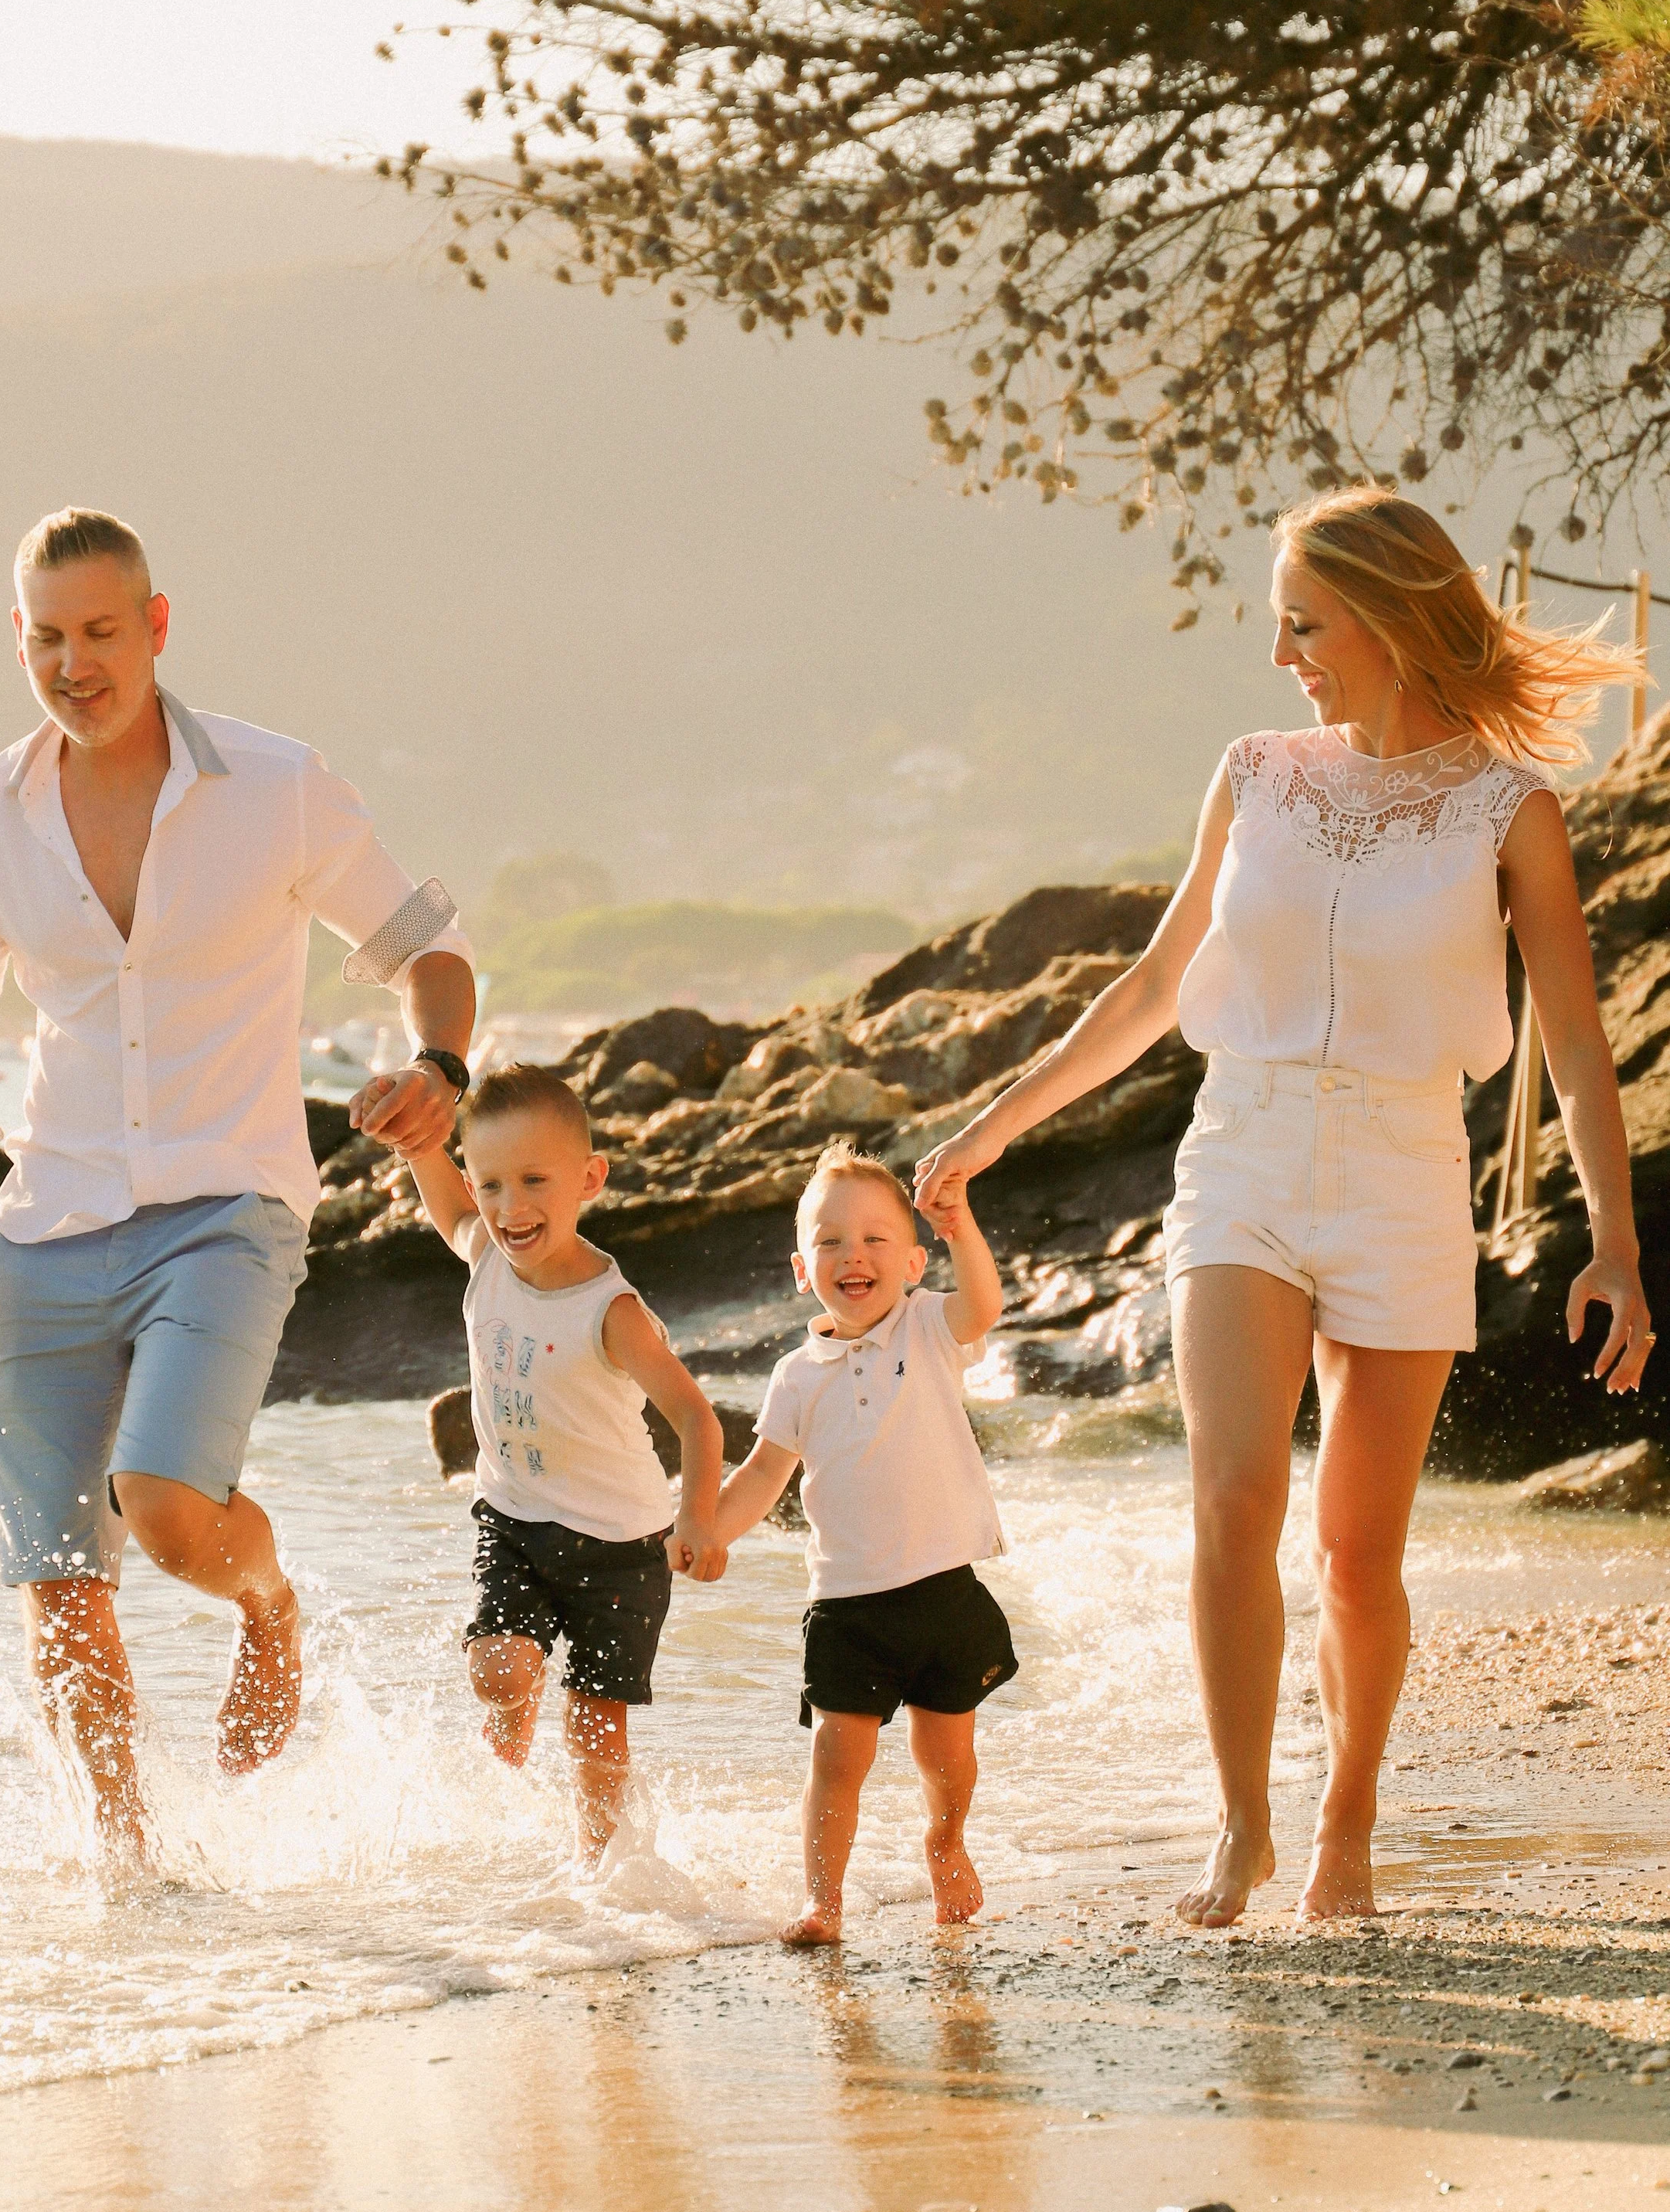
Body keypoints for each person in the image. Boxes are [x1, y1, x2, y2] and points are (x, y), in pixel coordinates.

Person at [916, 485, 1654, 1928]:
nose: (1282, 657)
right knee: (1232, 1499)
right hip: (1241, 1151)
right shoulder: (1255, 772)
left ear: (1383, 617)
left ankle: (1347, 1818)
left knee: (1358, 1551)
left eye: (1303, 625)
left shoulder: (1511, 810)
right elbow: (1147, 988)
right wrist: (996, 1127)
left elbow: (1573, 1038)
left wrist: (1615, 1242)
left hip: (1405, 1173)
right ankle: (1241, 1824)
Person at [0, 507, 474, 1863]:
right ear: (16, 638)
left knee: (162, 1507)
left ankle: (268, 1607)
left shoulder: (275, 785)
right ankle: (130, 1872)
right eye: (46, 637)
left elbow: (427, 947)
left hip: (228, 1203)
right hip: (48, 1221)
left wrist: (439, 1063)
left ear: (156, 625)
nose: (74, 665)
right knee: (56, 1574)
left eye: (100, 633)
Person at [402, 1063, 727, 1863]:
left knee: (595, 1722)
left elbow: (694, 1416)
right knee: (500, 1671)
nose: (511, 1208)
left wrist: (698, 1519)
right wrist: (414, 1138)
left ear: (588, 1179)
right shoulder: (481, 1252)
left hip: (622, 1547)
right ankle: (515, 1706)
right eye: (491, 1185)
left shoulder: (610, 1313)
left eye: (535, 1182)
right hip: (513, 1518)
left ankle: (597, 1860)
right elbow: (438, 1187)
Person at [710, 1143, 1014, 1946]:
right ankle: (824, 1903)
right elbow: (760, 1475)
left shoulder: (928, 1329)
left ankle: (945, 1841)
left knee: (946, 1755)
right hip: (845, 1606)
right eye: (831, 1241)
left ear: (912, 1262)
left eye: (877, 1239)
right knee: (836, 1764)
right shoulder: (795, 1377)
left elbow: (982, 1305)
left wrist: (961, 1225)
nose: (855, 1255)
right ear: (801, 1270)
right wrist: (705, 1528)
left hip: (942, 1589)